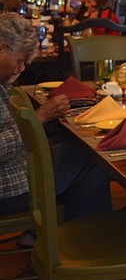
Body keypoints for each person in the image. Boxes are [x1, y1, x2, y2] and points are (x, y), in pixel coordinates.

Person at [0, 12, 111, 221]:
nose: (21, 68)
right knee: (94, 157)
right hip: (8, 187)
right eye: (19, 60)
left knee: (77, 146)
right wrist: (38, 118)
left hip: (13, 168)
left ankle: (45, 233)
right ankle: (85, 240)